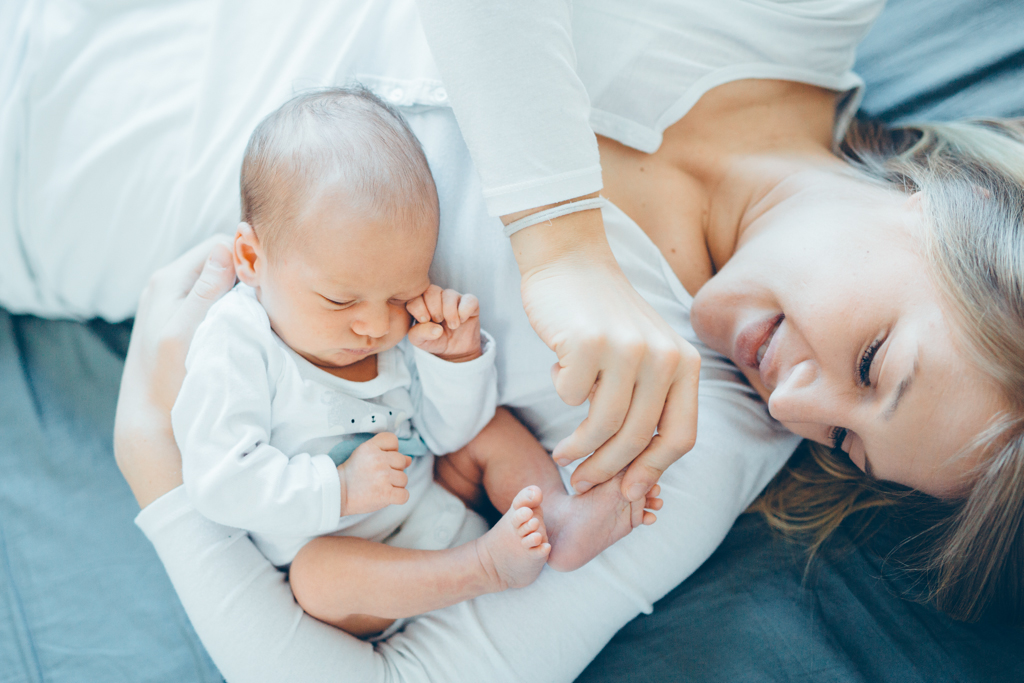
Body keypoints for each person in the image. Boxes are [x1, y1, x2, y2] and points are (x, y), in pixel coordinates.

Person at [92, 0, 1017, 679]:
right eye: (872, 362)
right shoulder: (789, 17)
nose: (792, 403)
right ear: (965, 202)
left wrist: (157, 472)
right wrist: (561, 240)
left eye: (844, 443)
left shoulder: (686, 450)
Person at [173, 88, 662, 638]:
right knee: (315, 579)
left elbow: (448, 432)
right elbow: (218, 480)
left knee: (490, 429)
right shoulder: (237, 341)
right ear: (251, 258)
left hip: (438, 498)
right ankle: (483, 568)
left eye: (401, 296)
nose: (376, 326)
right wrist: (340, 489)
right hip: (353, 561)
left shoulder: (392, 331)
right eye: (340, 300)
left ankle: (558, 518)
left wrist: (455, 362)